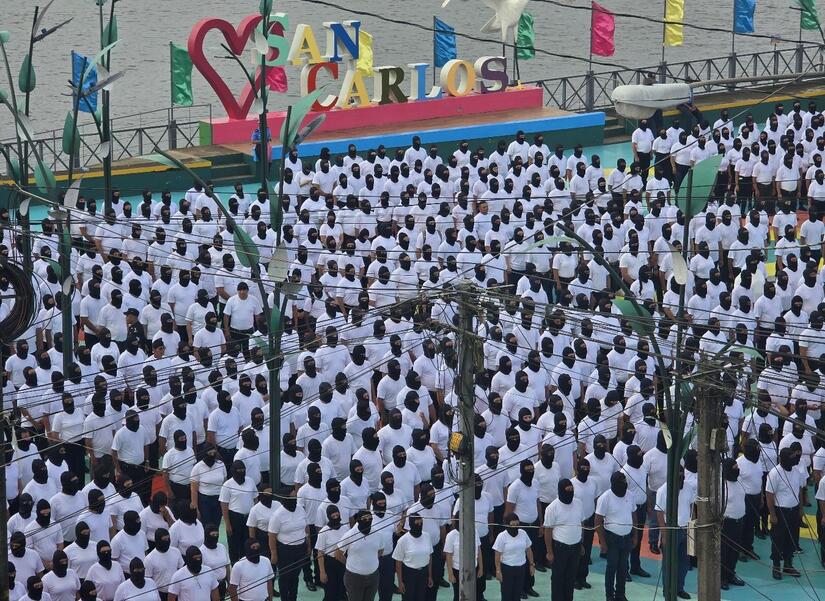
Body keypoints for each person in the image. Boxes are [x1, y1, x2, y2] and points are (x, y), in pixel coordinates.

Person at [595, 472, 635, 601]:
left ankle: (620, 594)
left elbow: (634, 515)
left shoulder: (630, 495)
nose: (623, 486)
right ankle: (609, 595)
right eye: (621, 483)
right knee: (612, 567)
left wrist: (636, 536)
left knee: (623, 567)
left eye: (625, 483)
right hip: (612, 537)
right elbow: (598, 521)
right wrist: (602, 542)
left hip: (627, 536)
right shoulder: (605, 498)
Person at [767, 447, 804, 579]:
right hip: (780, 512)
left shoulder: (796, 471)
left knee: (792, 538)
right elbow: (770, 495)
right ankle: (776, 566)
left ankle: (788, 565)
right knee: (778, 539)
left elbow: (798, 489)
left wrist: (800, 508)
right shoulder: (774, 473)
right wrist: (772, 514)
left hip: (793, 511)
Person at [337, 509, 385, 601]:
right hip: (354, 577)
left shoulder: (378, 533)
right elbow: (338, 554)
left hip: (373, 576)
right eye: (364, 519)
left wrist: (370, 561)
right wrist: (350, 564)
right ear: (358, 520)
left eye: (370, 519)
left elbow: (381, 550)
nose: (368, 521)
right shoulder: (349, 535)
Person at [492, 513, 534, 601]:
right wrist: (498, 570)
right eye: (512, 525)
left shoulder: (523, 533)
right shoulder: (502, 536)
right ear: (507, 525)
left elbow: (528, 549)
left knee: (517, 593)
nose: (515, 527)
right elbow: (497, 554)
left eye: (517, 525)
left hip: (521, 568)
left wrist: (531, 564)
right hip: (507, 569)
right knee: (507, 594)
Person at [393, 513, 432, 601]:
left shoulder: (427, 536)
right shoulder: (403, 540)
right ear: (410, 525)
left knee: (421, 597)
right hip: (409, 574)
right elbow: (398, 562)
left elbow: (429, 556)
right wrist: (400, 582)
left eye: (421, 523)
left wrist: (429, 576)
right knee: (408, 598)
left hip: (423, 573)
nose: (419, 525)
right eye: (417, 523)